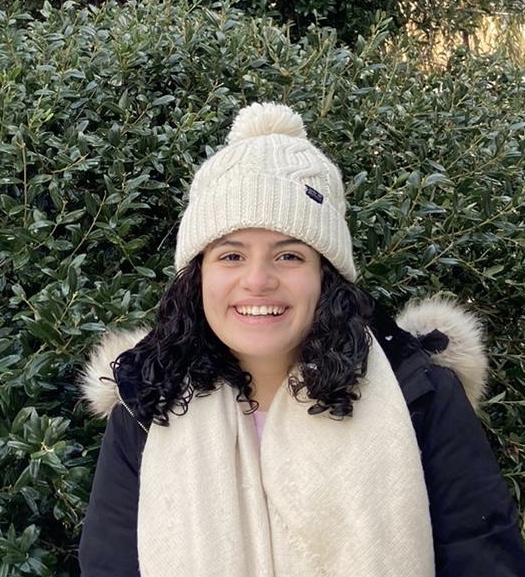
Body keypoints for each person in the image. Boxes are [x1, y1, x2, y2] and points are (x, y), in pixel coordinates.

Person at [78, 102, 525, 577]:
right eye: (230, 255)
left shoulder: (419, 394)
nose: (257, 280)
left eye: (289, 256)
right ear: (198, 276)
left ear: (325, 277)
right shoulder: (148, 404)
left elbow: (483, 559)